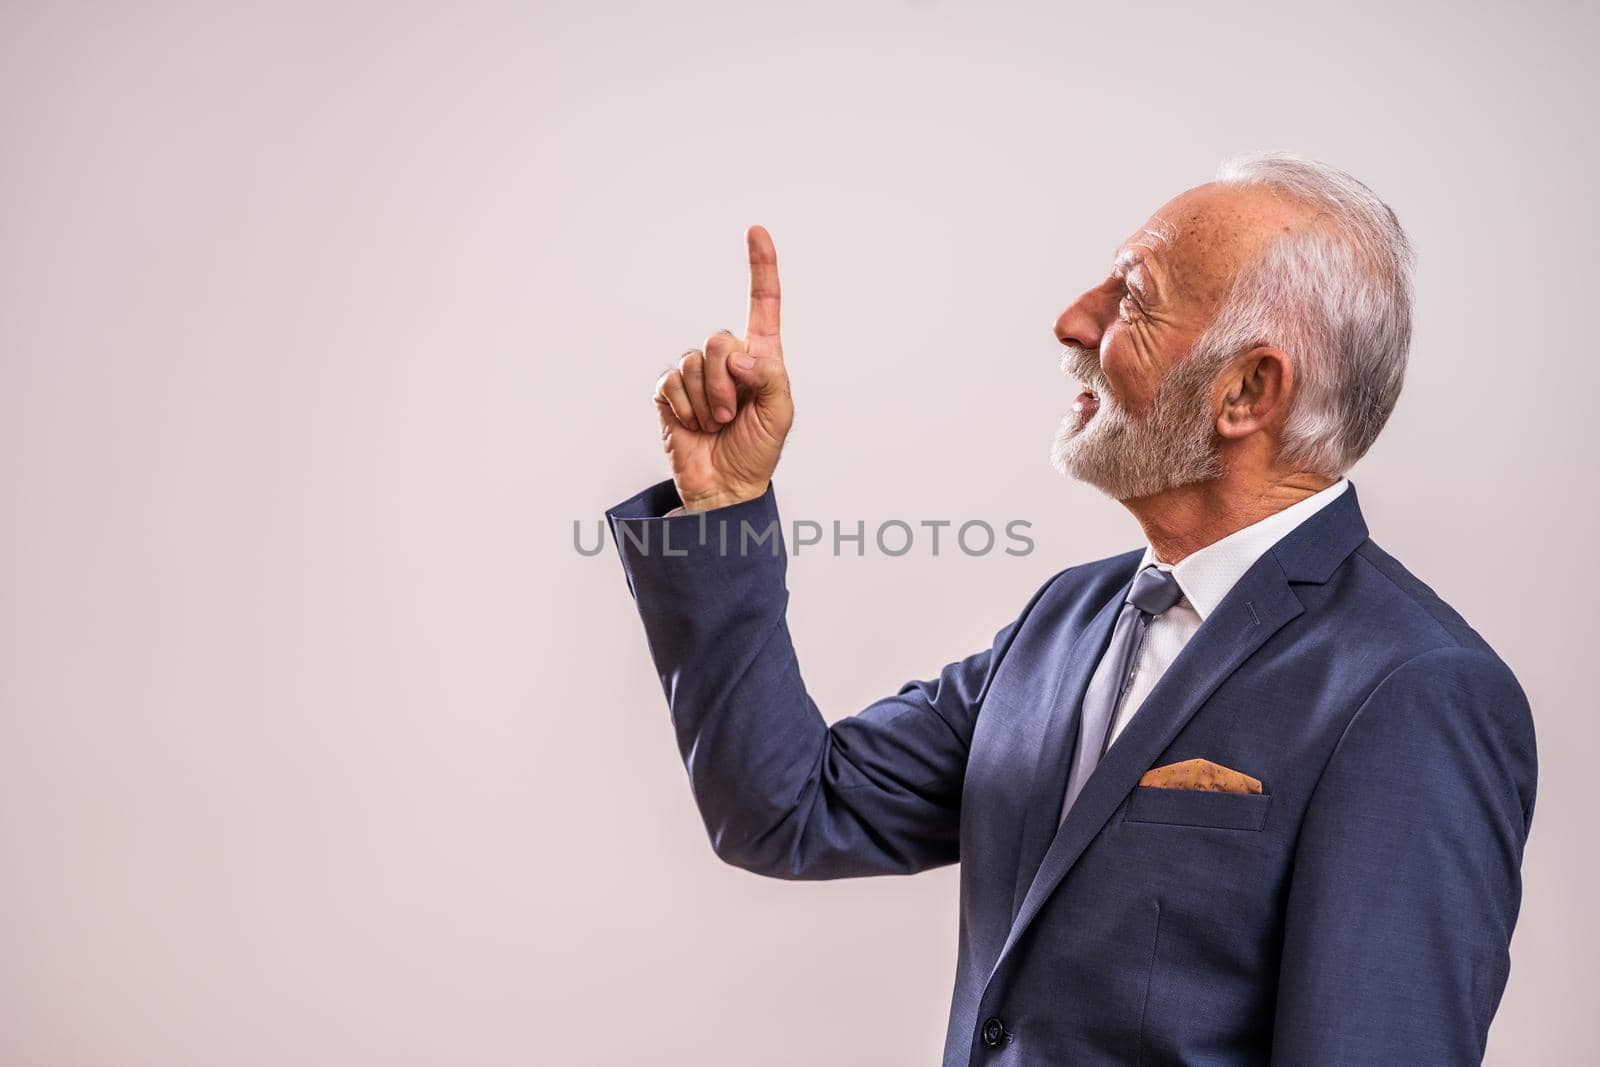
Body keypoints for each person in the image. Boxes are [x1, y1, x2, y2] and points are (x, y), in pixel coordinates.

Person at [603, 152, 1537, 1065]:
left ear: (1248, 390)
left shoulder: (1416, 690)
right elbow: (791, 807)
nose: (1071, 320)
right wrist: (721, 511)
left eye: (1132, 296)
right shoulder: (1071, 616)